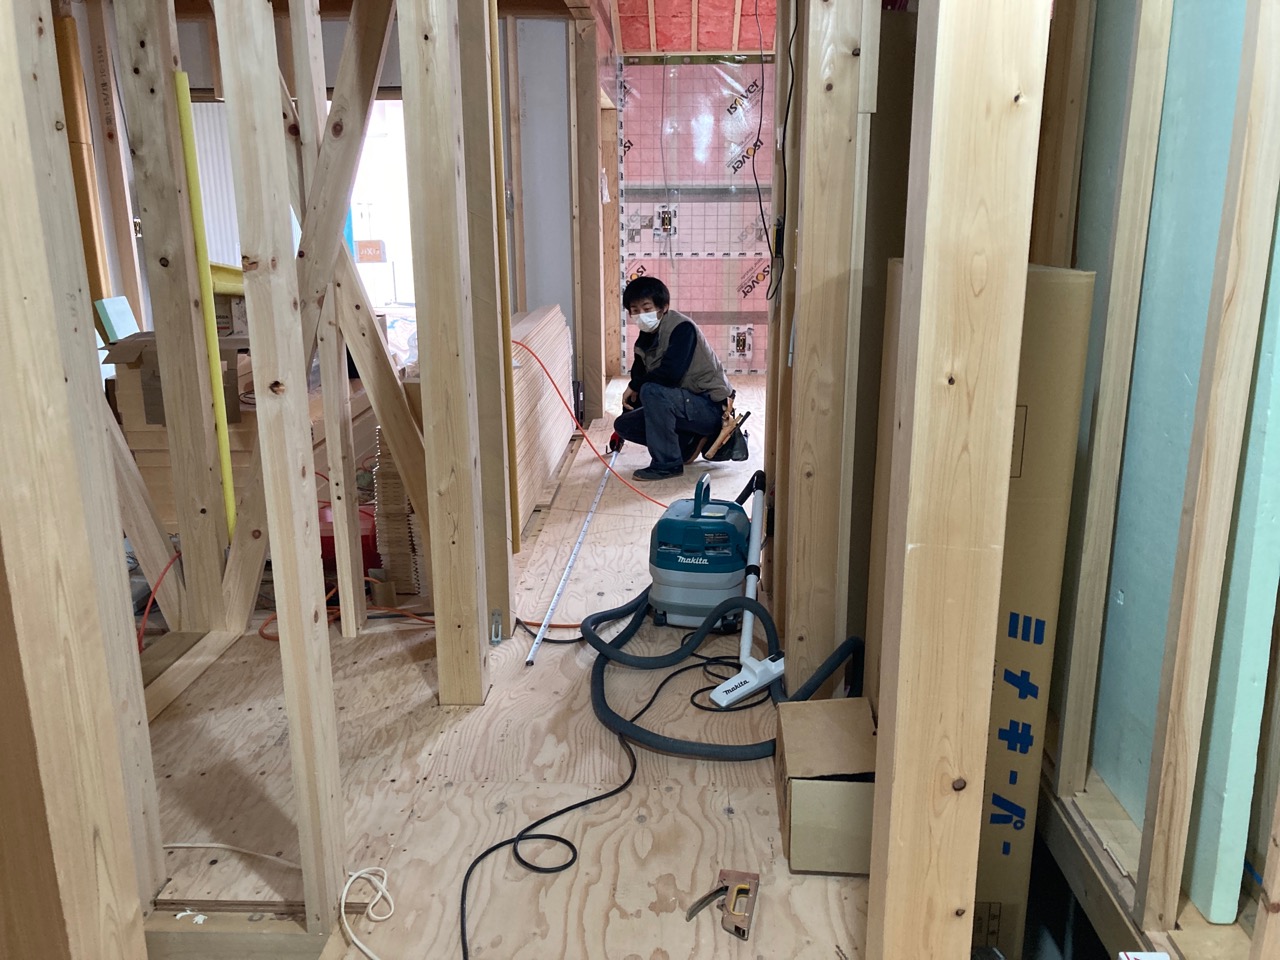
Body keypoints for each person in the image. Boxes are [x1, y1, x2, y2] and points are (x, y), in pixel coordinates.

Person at [612, 276, 735, 481]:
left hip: (711, 408)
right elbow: (637, 388)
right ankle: (686, 444)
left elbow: (670, 375)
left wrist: (635, 385)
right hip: (683, 405)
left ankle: (667, 464)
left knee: (651, 390)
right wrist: (620, 431)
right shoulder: (644, 341)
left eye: (646, 308)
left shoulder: (682, 328)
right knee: (625, 425)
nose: (641, 315)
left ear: (663, 307)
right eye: (635, 310)